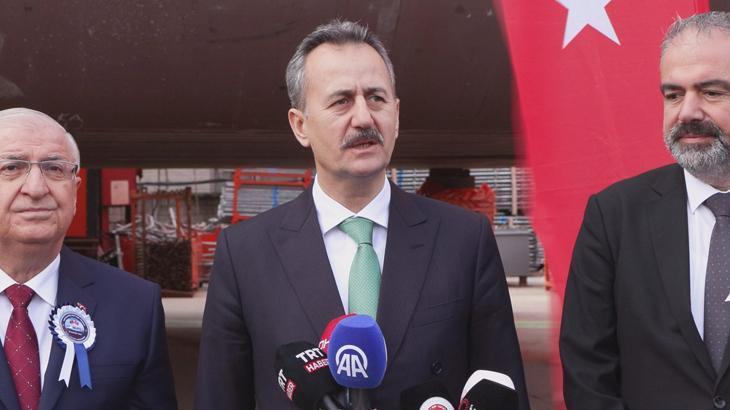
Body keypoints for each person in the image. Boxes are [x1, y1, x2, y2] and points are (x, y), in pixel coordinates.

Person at [195, 19, 529, 409]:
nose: (364, 117)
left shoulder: (464, 240)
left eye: (376, 98)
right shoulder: (245, 253)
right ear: (300, 126)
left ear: (396, 116)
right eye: (341, 101)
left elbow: (503, 388)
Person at [560, 11, 730, 409]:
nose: (687, 112)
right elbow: (588, 370)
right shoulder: (613, 215)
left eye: (711, 92)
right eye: (673, 95)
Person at [0, 108, 177, 410]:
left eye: (54, 168)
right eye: (11, 167)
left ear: (75, 192)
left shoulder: (135, 305)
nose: (36, 188)